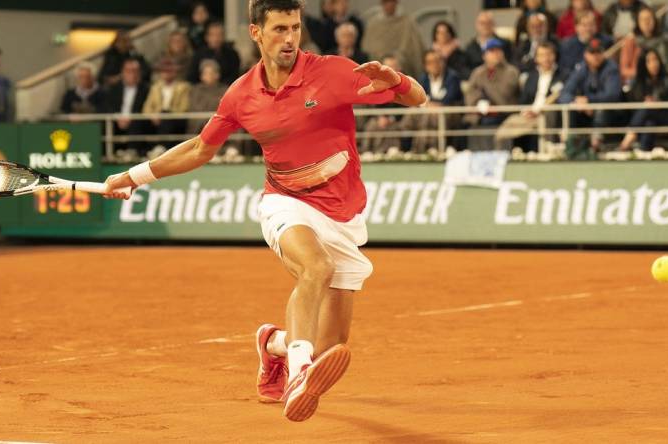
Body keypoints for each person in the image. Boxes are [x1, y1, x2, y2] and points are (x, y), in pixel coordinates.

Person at [103, 0, 426, 422]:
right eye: (279, 29)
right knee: (316, 267)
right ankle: (297, 373)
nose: (290, 38)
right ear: (256, 32)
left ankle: (273, 343)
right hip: (285, 202)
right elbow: (201, 148)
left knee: (331, 344)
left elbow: (417, 99)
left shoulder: (331, 72)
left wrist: (396, 80)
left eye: (295, 28)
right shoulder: (241, 93)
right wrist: (134, 175)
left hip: (343, 213)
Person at [558, 38, 622, 157]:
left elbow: (612, 95)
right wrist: (576, 102)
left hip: (610, 112)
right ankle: (570, 143)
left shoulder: (611, 68)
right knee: (571, 109)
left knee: (601, 110)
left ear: (603, 53)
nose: (595, 56)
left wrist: (589, 100)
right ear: (586, 54)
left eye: (598, 52)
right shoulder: (582, 68)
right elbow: (564, 93)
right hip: (585, 112)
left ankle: (595, 145)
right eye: (592, 53)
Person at [620, 49, 668, 150]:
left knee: (648, 107)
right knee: (649, 123)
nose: (654, 64)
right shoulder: (638, 82)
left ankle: (627, 140)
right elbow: (634, 106)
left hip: (667, 117)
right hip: (645, 120)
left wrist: (658, 104)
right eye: (649, 61)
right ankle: (644, 153)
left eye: (655, 60)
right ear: (643, 64)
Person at [464, 38, 520, 135]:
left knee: (488, 123)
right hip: (480, 112)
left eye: (499, 50)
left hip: (504, 112)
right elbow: (470, 93)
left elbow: (504, 94)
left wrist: (484, 92)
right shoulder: (478, 72)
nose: (496, 53)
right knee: (465, 123)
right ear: (484, 55)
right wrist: (481, 102)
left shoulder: (511, 72)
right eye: (492, 51)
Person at [516, 42, 564, 151]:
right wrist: (526, 111)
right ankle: (507, 155)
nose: (546, 58)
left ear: (554, 56)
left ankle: (548, 150)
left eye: (549, 54)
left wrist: (538, 111)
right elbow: (523, 100)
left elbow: (559, 96)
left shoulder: (563, 75)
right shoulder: (531, 77)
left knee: (549, 114)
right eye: (542, 55)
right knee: (506, 128)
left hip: (548, 113)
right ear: (536, 58)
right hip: (528, 114)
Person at [362, 0, 426, 77]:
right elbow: (368, 49)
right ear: (381, 4)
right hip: (378, 70)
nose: (389, 5)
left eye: (391, 2)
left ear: (396, 3)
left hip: (403, 70)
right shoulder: (373, 24)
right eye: (386, 2)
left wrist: (398, 59)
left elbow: (415, 47)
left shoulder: (407, 22)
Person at [104, 58, 151, 154]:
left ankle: (132, 152)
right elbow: (108, 107)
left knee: (137, 121)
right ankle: (108, 154)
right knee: (105, 124)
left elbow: (147, 108)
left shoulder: (147, 89)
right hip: (117, 120)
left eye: (135, 71)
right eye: (128, 71)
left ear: (140, 73)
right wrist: (118, 117)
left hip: (137, 121)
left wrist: (130, 118)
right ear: (122, 72)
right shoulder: (113, 89)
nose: (132, 74)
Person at [619, 5, 668, 85]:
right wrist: (644, 72)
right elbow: (624, 70)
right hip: (639, 80)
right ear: (637, 22)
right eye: (642, 19)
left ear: (654, 20)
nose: (646, 22)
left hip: (661, 78)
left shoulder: (664, 40)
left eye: (649, 18)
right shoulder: (631, 42)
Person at [143, 57, 192, 135]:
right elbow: (147, 107)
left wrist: (167, 115)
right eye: (164, 71)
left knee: (166, 115)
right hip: (157, 118)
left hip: (175, 119)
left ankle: (162, 145)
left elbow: (184, 108)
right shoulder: (155, 87)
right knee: (140, 122)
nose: (166, 73)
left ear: (175, 71)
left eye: (169, 71)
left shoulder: (183, 87)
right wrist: (153, 116)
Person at [560, 11, 613, 78]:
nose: (588, 28)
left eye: (591, 24)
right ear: (576, 27)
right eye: (584, 25)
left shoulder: (607, 42)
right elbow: (565, 70)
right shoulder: (567, 45)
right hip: (575, 81)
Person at [186, 59, 228, 134]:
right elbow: (195, 107)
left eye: (211, 73)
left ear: (217, 75)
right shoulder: (195, 90)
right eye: (205, 73)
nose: (208, 76)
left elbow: (224, 108)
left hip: (218, 123)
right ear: (201, 76)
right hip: (199, 124)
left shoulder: (225, 90)